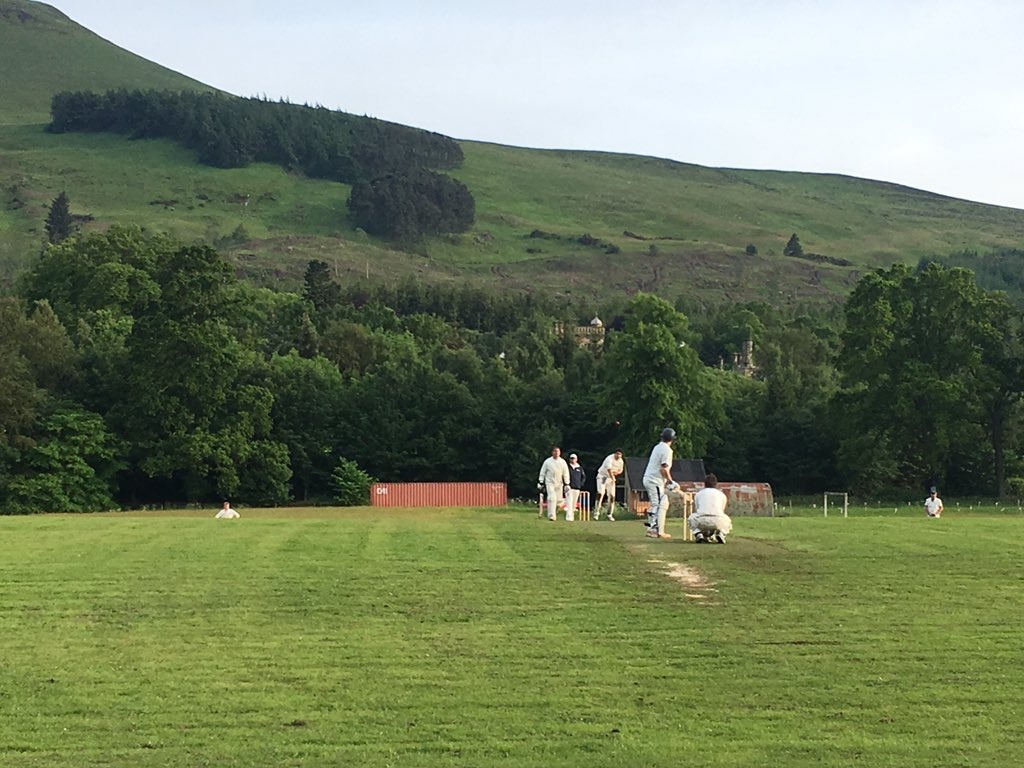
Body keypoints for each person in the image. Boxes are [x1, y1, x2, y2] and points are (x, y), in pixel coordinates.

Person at [643, 428, 677, 539]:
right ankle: (654, 530)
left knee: (661, 503)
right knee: (657, 504)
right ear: (672, 439)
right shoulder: (667, 450)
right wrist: (671, 481)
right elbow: (664, 469)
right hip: (654, 480)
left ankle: (655, 529)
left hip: (651, 479)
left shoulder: (657, 447)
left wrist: (668, 481)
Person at [689, 473, 732, 543]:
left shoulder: (698, 494)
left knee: (691, 517)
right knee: (727, 520)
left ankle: (698, 533)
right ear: (716, 484)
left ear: (704, 484)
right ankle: (722, 533)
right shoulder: (722, 495)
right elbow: (722, 510)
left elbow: (697, 509)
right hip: (718, 521)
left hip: (701, 520)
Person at [537, 446, 571, 521]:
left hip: (559, 484)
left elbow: (565, 473)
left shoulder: (562, 462)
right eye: (555, 451)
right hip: (550, 483)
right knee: (552, 498)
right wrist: (541, 481)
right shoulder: (547, 461)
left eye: (558, 451)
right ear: (552, 452)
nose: (556, 453)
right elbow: (543, 472)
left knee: (559, 501)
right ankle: (551, 516)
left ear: (560, 453)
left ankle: (554, 511)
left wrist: (567, 483)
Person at [594, 449, 624, 521]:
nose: (618, 456)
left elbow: (621, 470)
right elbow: (609, 470)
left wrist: (617, 473)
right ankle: (596, 513)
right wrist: (613, 477)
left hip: (611, 478)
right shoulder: (609, 458)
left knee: (612, 495)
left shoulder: (621, 461)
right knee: (601, 493)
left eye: (620, 455)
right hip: (603, 476)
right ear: (615, 454)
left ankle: (609, 514)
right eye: (617, 454)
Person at [566, 453, 586, 522]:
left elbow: (583, 477)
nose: (572, 460)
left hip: (577, 488)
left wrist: (581, 484)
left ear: (576, 459)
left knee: (574, 504)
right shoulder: (567, 467)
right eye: (571, 458)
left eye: (574, 458)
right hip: (569, 488)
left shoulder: (579, 468)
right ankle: (569, 517)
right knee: (569, 503)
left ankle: (572, 516)